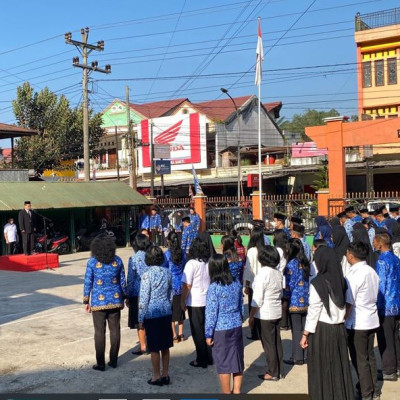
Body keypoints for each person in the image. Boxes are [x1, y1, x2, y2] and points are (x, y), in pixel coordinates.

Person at [300, 246, 354, 400]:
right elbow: (349, 303)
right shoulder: (343, 281)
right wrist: (343, 318)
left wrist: (305, 334)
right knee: (339, 366)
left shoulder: (318, 282)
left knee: (322, 368)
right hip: (339, 330)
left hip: (322, 331)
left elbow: (313, 311)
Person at [83, 236, 126, 371]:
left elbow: (88, 281)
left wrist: (86, 300)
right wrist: (125, 296)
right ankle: (113, 361)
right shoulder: (118, 261)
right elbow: (123, 281)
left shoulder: (92, 262)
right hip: (115, 300)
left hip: (98, 301)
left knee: (99, 332)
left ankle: (100, 363)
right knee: (115, 331)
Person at [345, 241, 380, 400]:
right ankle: (374, 390)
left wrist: (343, 318)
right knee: (369, 357)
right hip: (371, 319)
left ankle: (366, 394)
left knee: (360, 359)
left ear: (351, 255)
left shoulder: (355, 274)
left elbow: (349, 302)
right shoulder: (371, 271)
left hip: (358, 322)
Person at [205, 254, 244, 394]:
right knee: (237, 359)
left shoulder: (214, 288)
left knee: (223, 364)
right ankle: (237, 391)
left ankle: (226, 393)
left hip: (221, 329)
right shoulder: (236, 283)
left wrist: (208, 333)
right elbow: (241, 305)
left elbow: (211, 313)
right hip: (236, 325)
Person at [138, 246, 173, 386]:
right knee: (165, 346)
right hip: (165, 312)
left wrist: (140, 318)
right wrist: (168, 306)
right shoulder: (168, 273)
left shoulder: (146, 275)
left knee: (154, 348)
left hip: (152, 314)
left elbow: (144, 298)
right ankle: (165, 374)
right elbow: (171, 293)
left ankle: (156, 376)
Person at [249, 246, 284, 381]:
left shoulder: (262, 274)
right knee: (276, 342)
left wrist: (251, 316)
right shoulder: (277, 273)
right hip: (276, 310)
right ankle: (279, 369)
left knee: (268, 344)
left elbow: (257, 299)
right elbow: (280, 292)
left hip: (265, 313)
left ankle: (272, 372)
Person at [181, 238, 212, 368]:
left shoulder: (191, 264)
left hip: (195, 301)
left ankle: (201, 359)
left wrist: (183, 301)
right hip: (207, 299)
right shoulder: (209, 262)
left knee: (197, 331)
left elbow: (187, 285)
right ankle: (209, 356)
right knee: (207, 329)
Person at [373, 233, 400, 381]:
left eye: (374, 241)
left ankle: (389, 370)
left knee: (385, 338)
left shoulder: (382, 261)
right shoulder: (396, 259)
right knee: (395, 336)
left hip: (386, 305)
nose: (373, 243)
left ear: (380, 244)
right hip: (397, 303)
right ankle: (397, 366)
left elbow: (380, 285)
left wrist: (377, 304)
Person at [284, 238, 310, 365]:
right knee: (304, 329)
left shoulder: (291, 264)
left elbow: (290, 284)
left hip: (294, 301)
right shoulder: (305, 262)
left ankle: (297, 357)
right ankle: (305, 355)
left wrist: (285, 296)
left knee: (295, 329)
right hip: (305, 300)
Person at [126, 233, 151, 355]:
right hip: (151, 292)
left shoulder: (134, 259)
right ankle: (151, 343)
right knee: (149, 319)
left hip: (138, 293)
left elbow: (130, 279)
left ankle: (143, 346)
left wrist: (128, 295)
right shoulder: (151, 255)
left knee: (139, 321)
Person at [164, 231, 186, 343]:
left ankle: (174, 334)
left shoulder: (167, 254)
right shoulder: (183, 253)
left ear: (169, 241)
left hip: (171, 285)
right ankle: (181, 333)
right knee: (181, 309)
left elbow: (164, 269)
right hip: (181, 284)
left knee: (171, 311)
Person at [244, 227, 265, 340]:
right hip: (264, 282)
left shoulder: (251, 251)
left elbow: (248, 269)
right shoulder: (265, 249)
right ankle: (262, 332)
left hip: (253, 283)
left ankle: (254, 332)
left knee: (253, 307)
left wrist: (246, 285)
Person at [273, 230, 289, 330]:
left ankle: (282, 323)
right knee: (284, 300)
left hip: (279, 276)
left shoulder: (278, 250)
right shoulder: (286, 249)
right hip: (284, 277)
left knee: (280, 301)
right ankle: (285, 322)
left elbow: (276, 264)